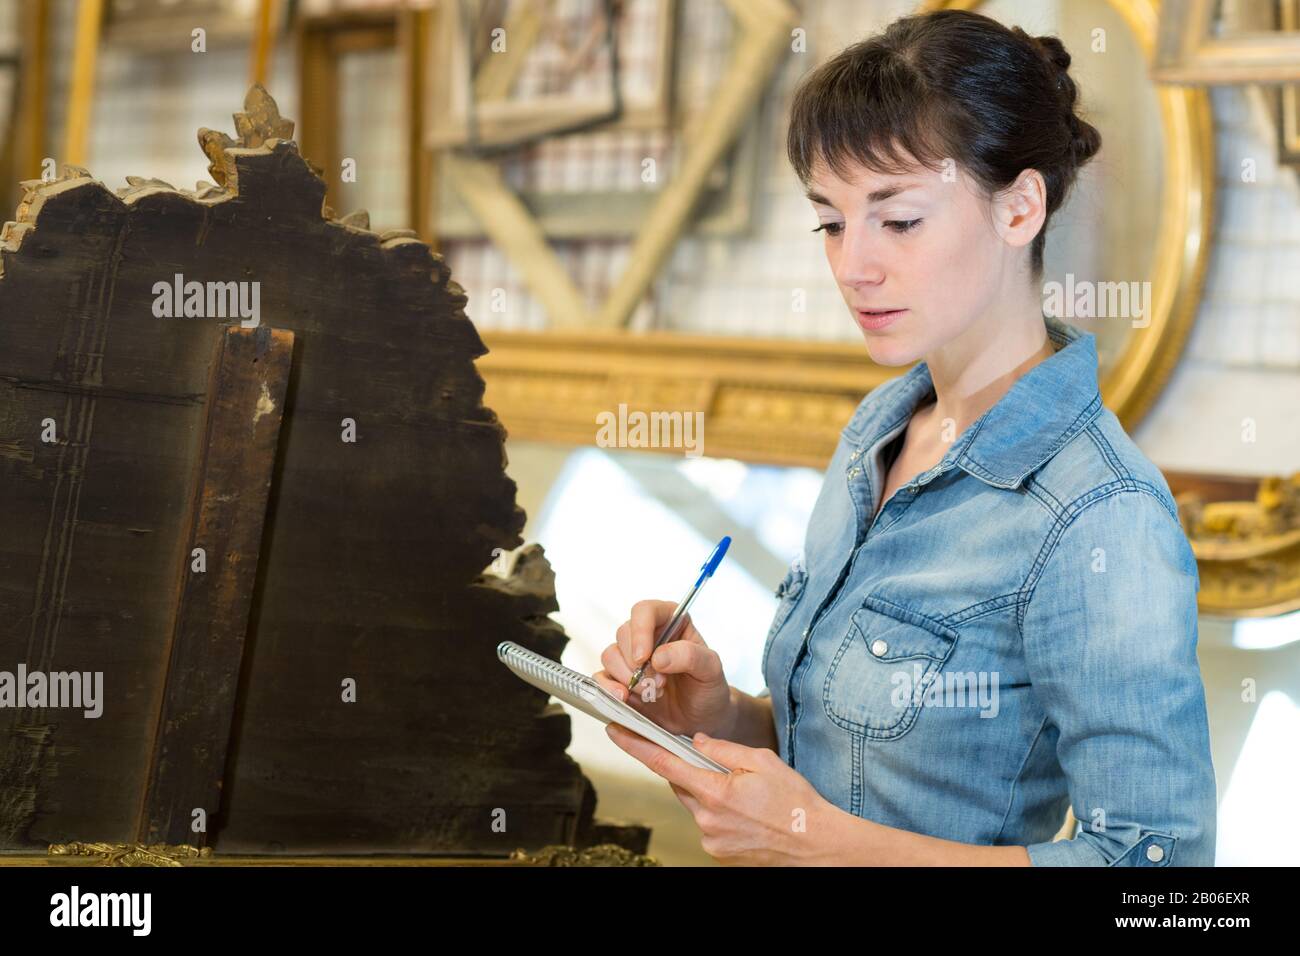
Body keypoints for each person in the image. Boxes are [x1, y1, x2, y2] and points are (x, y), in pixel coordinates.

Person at [593, 8, 1217, 866]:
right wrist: (720, 716)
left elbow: (1169, 880)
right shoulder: (875, 433)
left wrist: (822, 845)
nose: (853, 265)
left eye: (900, 219)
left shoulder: (1100, 515)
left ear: (1020, 208)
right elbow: (863, 765)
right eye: (832, 221)